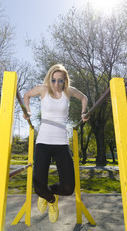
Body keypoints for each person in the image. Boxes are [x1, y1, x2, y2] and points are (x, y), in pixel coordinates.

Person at [23, 64, 89, 223]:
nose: (56, 84)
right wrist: (28, 110)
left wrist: (83, 112)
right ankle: (51, 200)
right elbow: (26, 95)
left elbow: (84, 98)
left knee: (68, 188)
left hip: (61, 142)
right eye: (53, 80)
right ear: (49, 79)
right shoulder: (43, 89)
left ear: (65, 81)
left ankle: (45, 194)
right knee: (38, 184)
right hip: (43, 142)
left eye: (60, 80)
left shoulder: (68, 91)